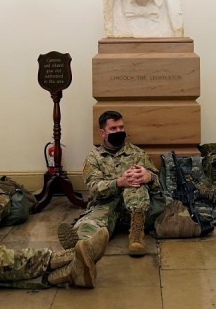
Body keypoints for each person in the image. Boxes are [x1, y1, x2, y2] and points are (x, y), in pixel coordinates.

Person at [58, 110, 165, 257]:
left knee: (135, 184)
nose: (119, 131)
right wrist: (118, 182)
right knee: (89, 224)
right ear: (103, 133)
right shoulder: (93, 158)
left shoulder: (137, 153)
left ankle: (136, 238)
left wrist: (148, 177)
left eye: (121, 127)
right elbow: (94, 188)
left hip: (136, 210)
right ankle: (81, 246)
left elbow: (157, 181)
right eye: (113, 129)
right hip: (106, 205)